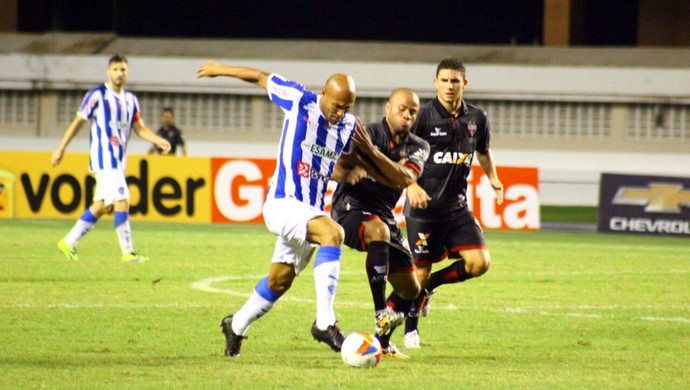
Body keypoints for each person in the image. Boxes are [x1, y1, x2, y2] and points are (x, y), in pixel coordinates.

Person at [196, 60, 410, 358]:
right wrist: (221, 69)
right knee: (333, 234)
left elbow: (330, 164)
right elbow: (261, 76)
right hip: (283, 203)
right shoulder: (299, 101)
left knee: (279, 280)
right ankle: (325, 323)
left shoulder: (349, 125)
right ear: (323, 93)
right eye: (336, 105)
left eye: (347, 107)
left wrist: (352, 170)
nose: (340, 113)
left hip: (309, 212)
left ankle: (236, 325)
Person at [390, 57, 504, 349]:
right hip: (423, 211)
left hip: (456, 209)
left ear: (464, 83)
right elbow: (401, 155)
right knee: (419, 272)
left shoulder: (477, 118)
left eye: (455, 81)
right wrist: (412, 185)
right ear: (435, 82)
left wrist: (494, 178)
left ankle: (431, 287)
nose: (450, 86)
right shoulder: (423, 117)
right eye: (444, 80)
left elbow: (484, 151)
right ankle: (410, 332)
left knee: (480, 263)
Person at [330, 88, 430, 359]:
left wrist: (371, 156)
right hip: (350, 209)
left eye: (413, 111)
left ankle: (382, 343)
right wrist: (348, 170)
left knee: (410, 288)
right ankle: (380, 313)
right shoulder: (366, 132)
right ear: (387, 108)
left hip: (383, 214)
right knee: (379, 231)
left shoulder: (419, 147)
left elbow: (404, 178)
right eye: (401, 109)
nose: (407, 115)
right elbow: (337, 166)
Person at [52, 54, 171, 263]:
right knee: (123, 199)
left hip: (118, 162)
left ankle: (68, 242)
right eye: (116, 69)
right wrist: (61, 147)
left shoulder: (131, 100)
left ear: (128, 72)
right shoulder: (96, 95)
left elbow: (139, 129)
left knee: (102, 206)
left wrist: (158, 140)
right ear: (108, 72)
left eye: (123, 69)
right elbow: (78, 122)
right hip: (103, 159)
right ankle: (128, 252)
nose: (120, 73)